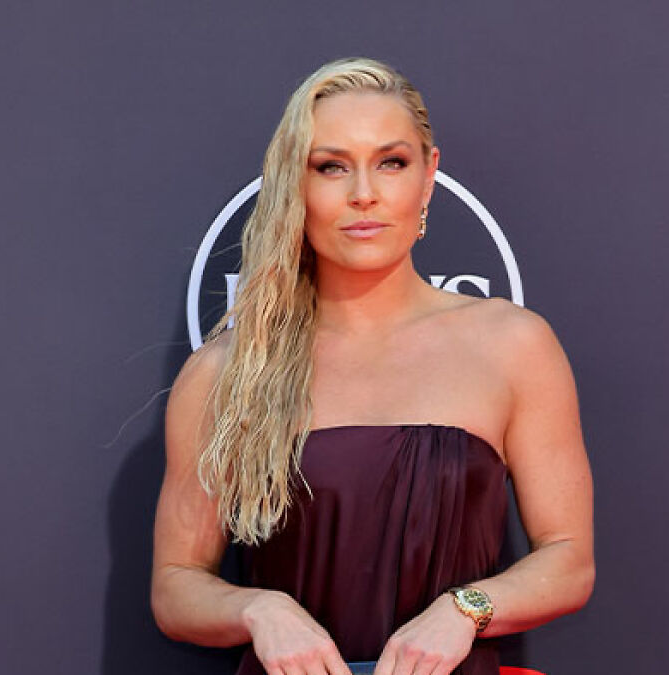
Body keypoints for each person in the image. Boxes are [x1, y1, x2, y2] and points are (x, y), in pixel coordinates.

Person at [150, 57, 594, 675]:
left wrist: (464, 609)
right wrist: (260, 610)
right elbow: (175, 586)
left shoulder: (512, 345)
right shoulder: (229, 370)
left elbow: (569, 557)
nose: (364, 192)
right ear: (294, 185)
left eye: (391, 162)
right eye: (331, 167)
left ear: (429, 175)